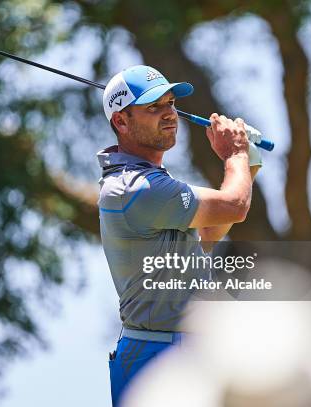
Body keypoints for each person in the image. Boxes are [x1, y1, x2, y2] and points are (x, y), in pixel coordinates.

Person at [97, 65, 262, 406]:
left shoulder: (150, 180)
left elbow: (208, 233)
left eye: (170, 103)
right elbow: (235, 206)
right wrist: (236, 155)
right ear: (121, 122)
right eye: (153, 108)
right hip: (155, 354)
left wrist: (250, 164)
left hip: (184, 351)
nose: (169, 115)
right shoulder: (136, 187)